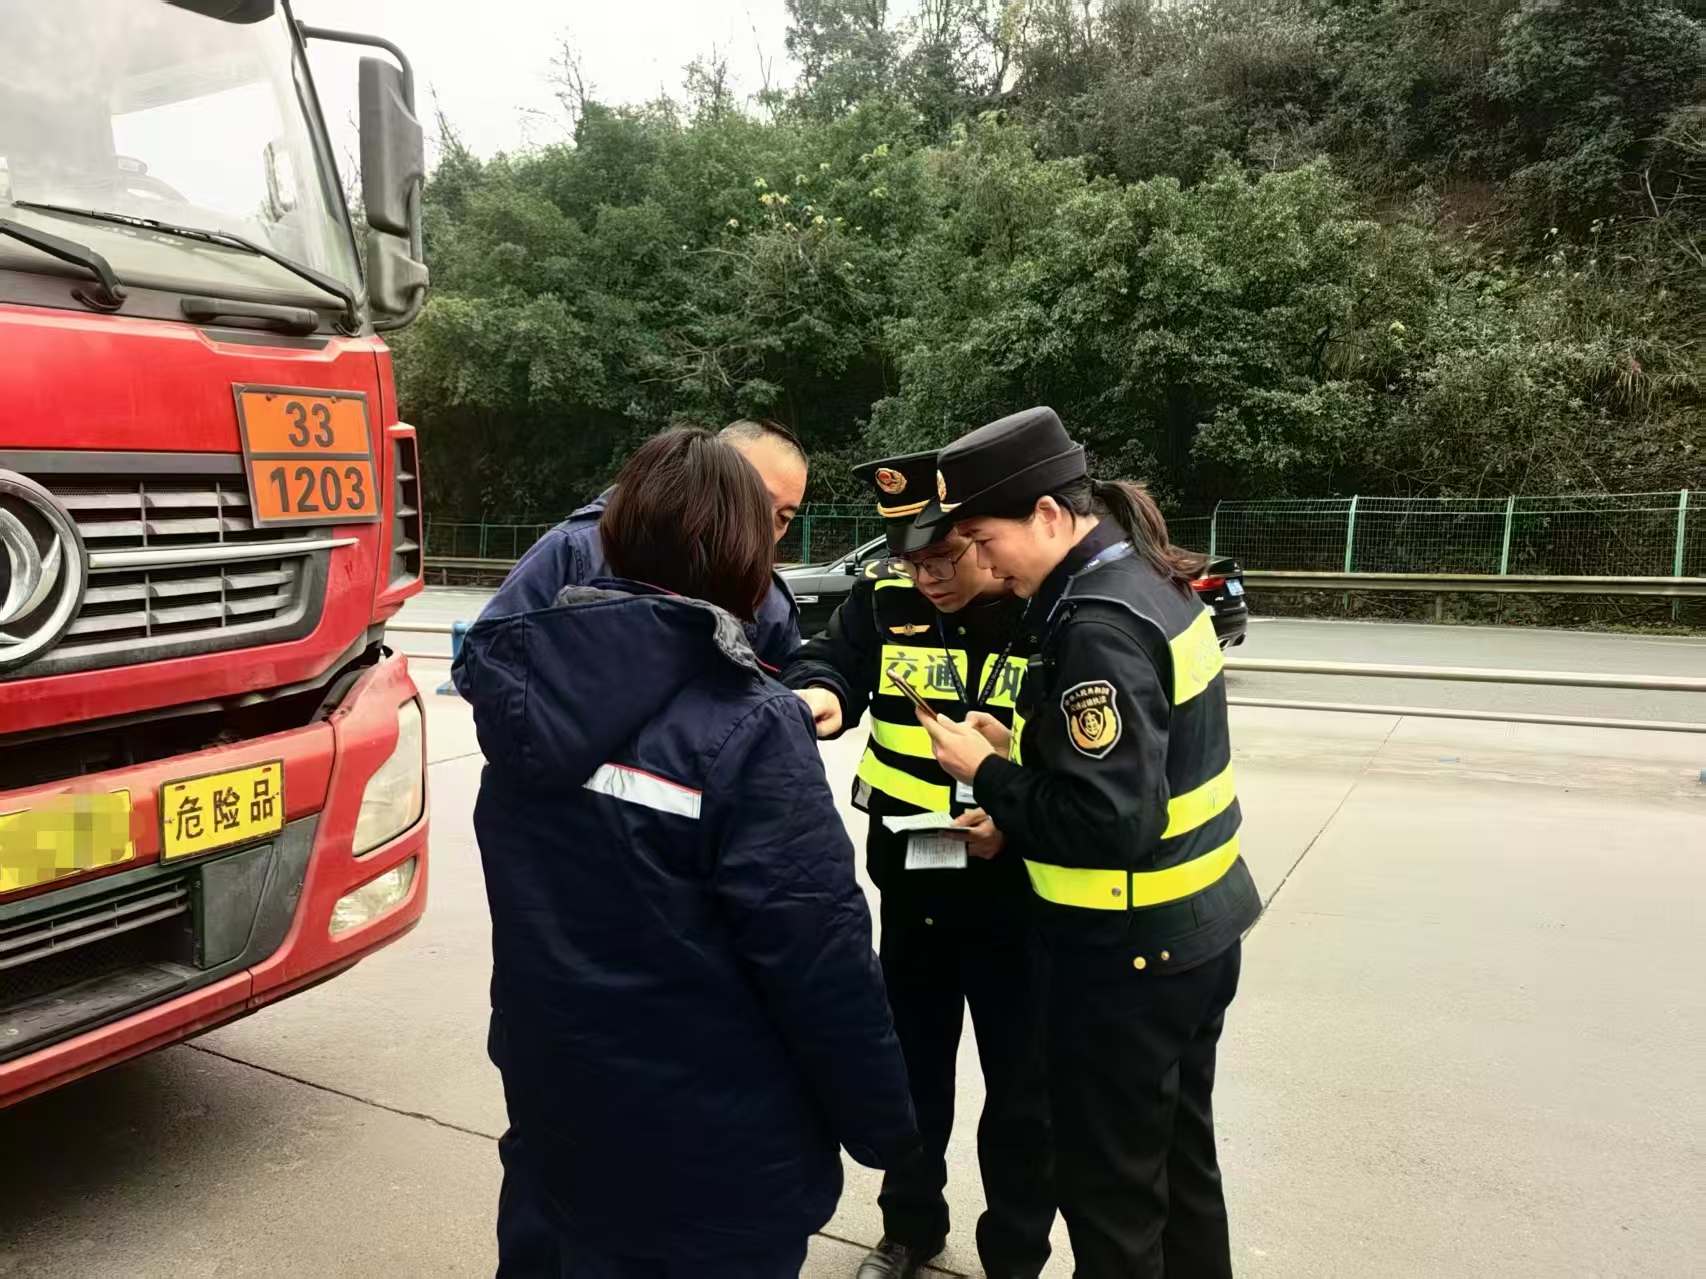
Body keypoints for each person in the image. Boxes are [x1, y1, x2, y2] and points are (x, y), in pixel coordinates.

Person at [458, 427, 920, 1279]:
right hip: (710, 1162)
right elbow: (819, 954)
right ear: (743, 557)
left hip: (559, 1113)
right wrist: (885, 1124)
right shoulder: (749, 729)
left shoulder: (521, 697)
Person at [913, 407, 1261, 1279]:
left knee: (1112, 1200)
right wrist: (1023, 751)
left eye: (984, 540)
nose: (984, 563)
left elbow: (1111, 822)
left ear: (1047, 514)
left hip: (1129, 960)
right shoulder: (1145, 577)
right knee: (1181, 1173)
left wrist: (989, 774)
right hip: (1195, 936)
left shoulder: (1095, 621)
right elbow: (1138, 767)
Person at [782, 452, 1055, 1279]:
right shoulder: (883, 602)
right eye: (910, 560)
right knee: (910, 1069)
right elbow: (828, 661)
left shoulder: (1042, 609)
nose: (926, 576)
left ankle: (1015, 1255)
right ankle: (909, 1228)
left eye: (943, 556)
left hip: (1017, 888)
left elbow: (1081, 763)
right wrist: (822, 694)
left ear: (980, 536)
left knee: (1023, 1090)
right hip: (913, 877)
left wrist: (1015, 818)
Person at [463, 418, 808, 669]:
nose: (763, 525)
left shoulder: (769, 601)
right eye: (754, 498)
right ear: (708, 471)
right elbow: (484, 658)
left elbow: (791, 692)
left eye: (783, 517)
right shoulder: (579, 551)